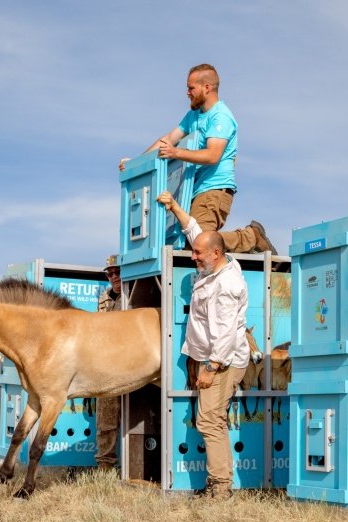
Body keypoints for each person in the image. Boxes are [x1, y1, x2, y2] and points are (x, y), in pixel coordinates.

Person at [121, 63, 277, 255]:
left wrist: (175, 153)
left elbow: (213, 155)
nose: (187, 93)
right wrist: (135, 164)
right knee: (188, 241)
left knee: (200, 240)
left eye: (191, 88)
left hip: (214, 189)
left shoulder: (221, 117)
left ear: (207, 88)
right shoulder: (193, 116)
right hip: (194, 190)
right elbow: (168, 139)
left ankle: (251, 237)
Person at [157, 191, 250, 500]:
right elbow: (194, 229)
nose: (192, 257)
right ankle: (218, 484)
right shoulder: (214, 262)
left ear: (215, 254)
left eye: (197, 254)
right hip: (208, 357)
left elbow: (224, 336)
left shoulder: (226, 285)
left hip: (222, 361)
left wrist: (211, 369)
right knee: (209, 419)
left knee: (210, 420)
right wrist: (173, 206)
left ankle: (220, 488)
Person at [94, 255, 123, 472]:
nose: (114, 277)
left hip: (131, 364)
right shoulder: (104, 299)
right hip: (108, 366)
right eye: (109, 273)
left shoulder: (135, 295)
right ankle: (105, 466)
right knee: (106, 419)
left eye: (117, 272)